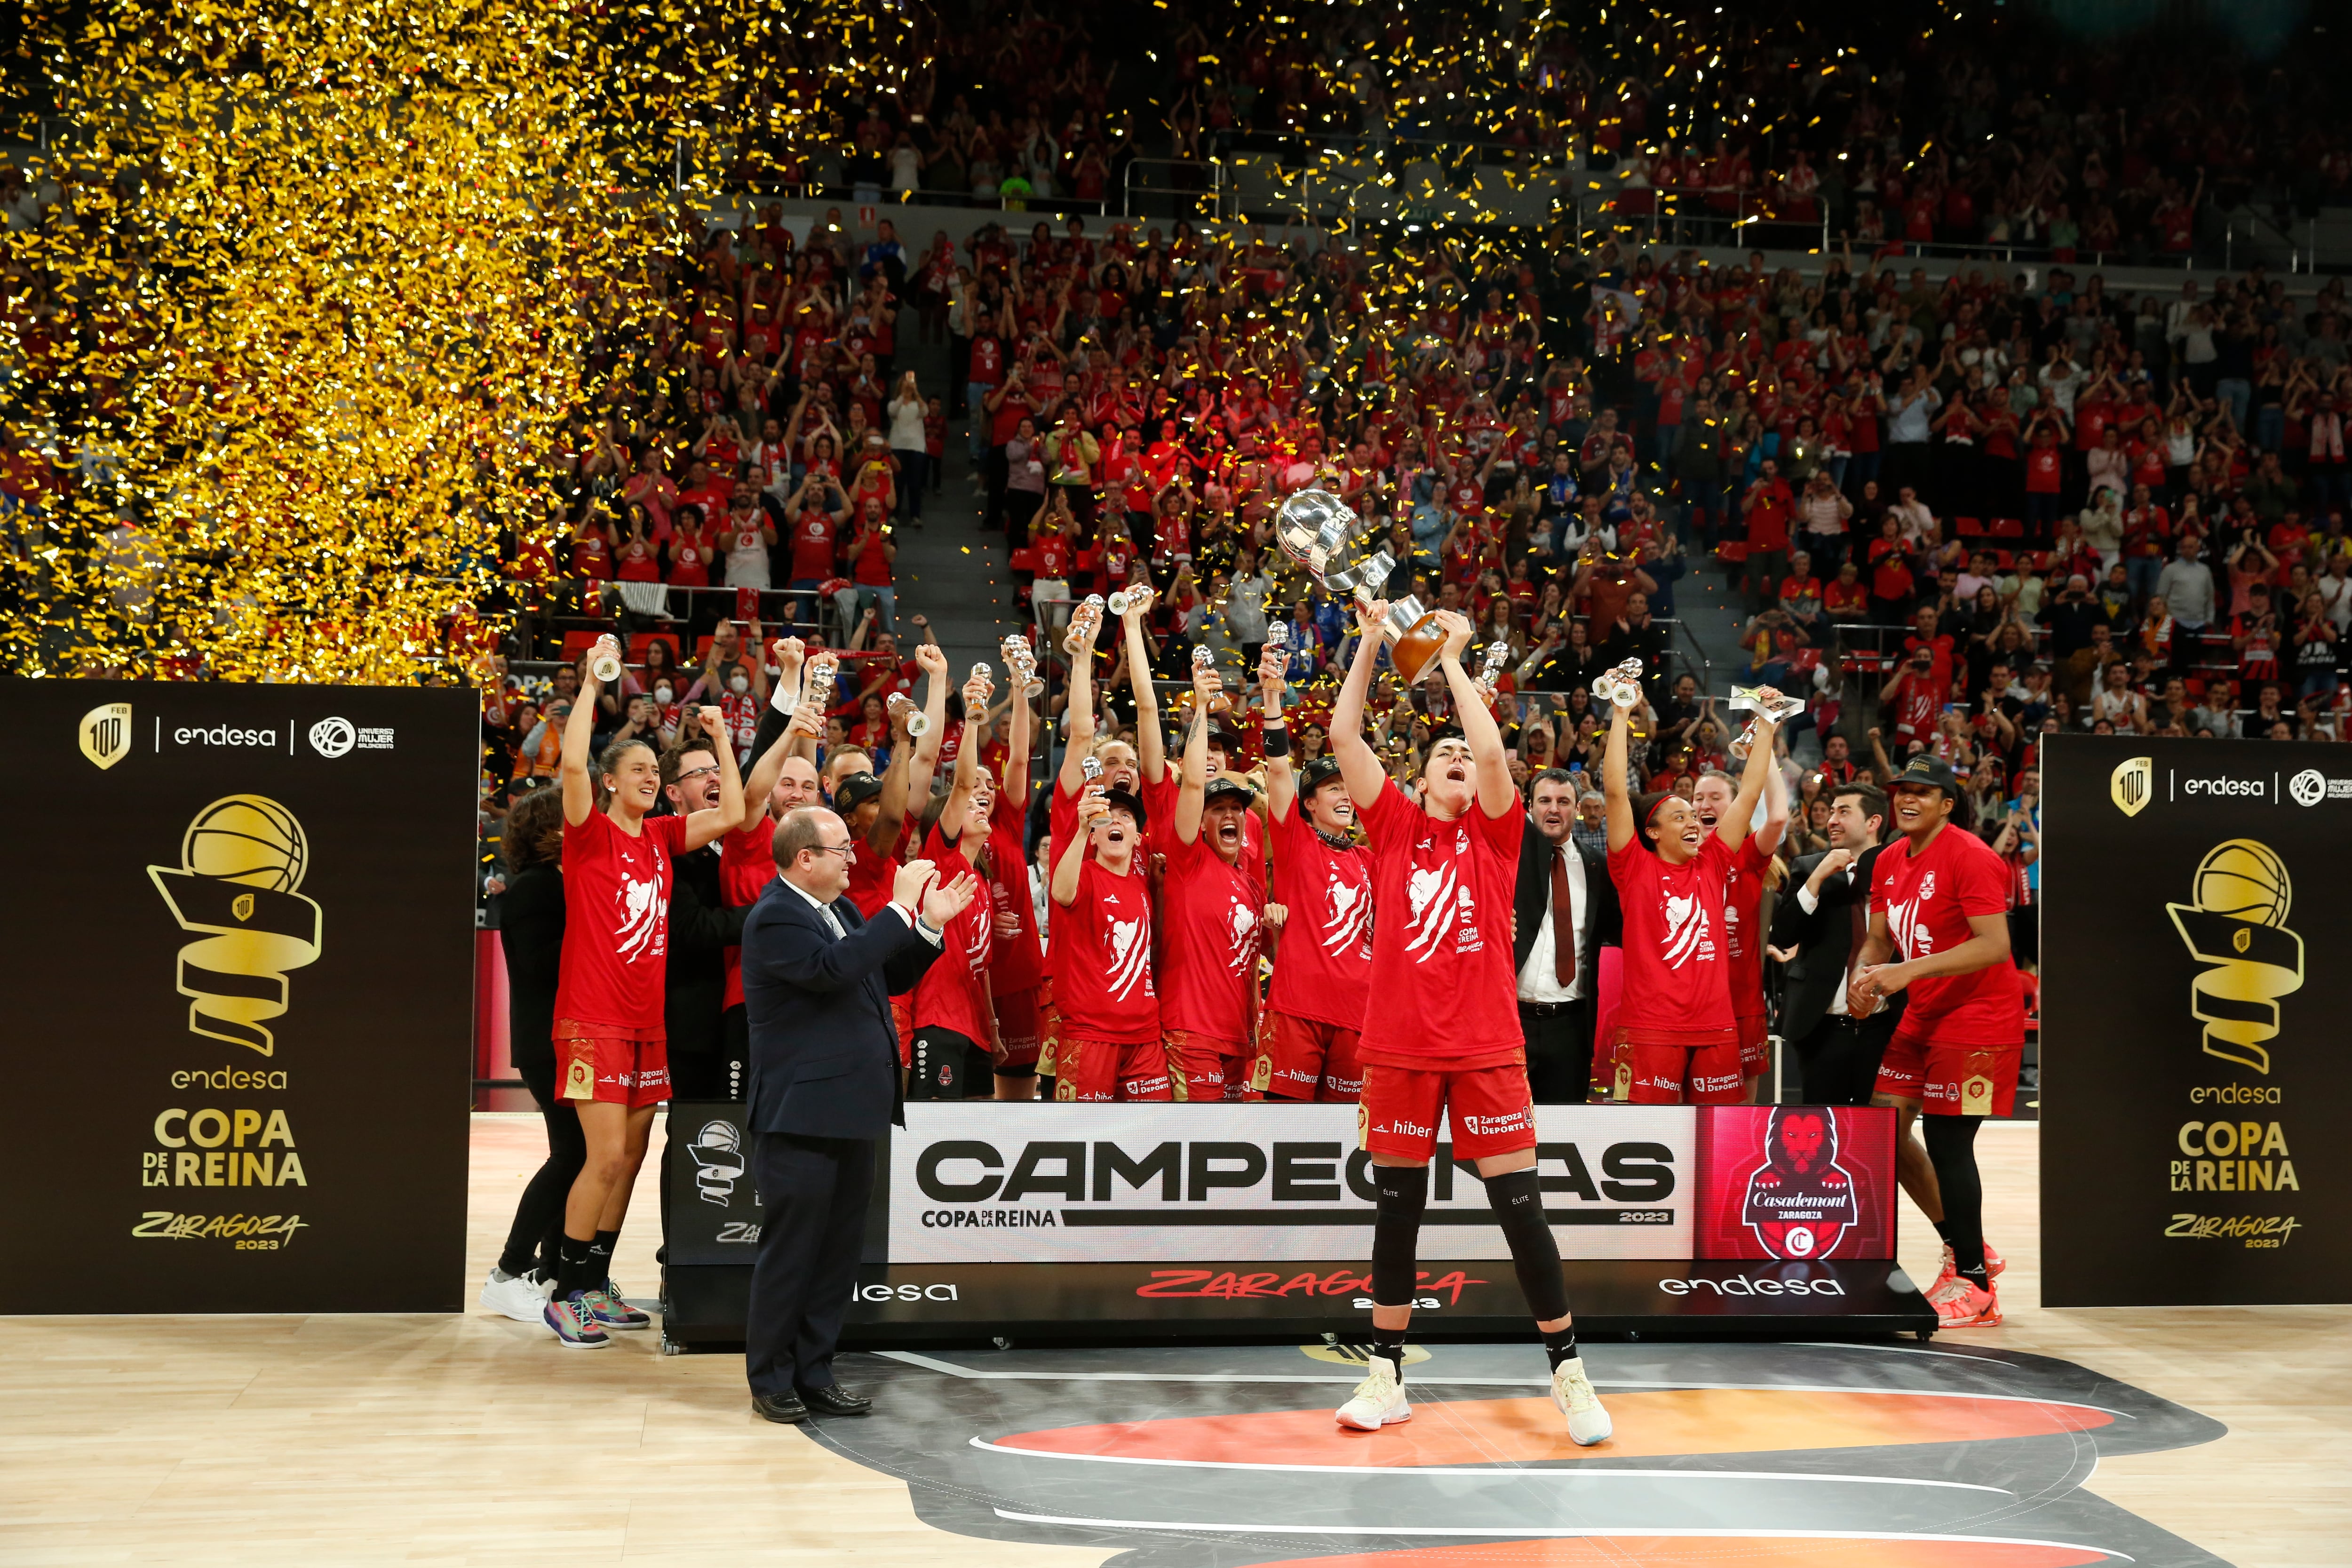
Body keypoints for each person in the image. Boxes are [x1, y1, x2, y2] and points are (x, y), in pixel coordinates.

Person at [1325, 600, 1611, 1447]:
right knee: (1397, 1212)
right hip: (1404, 1047)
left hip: (1486, 1045)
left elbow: (1490, 747)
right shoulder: (1394, 829)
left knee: (1522, 1210)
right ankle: (1386, 1375)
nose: (1458, 758)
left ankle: (1570, 1375)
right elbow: (1345, 737)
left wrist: (1451, 658)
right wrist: (1375, 636)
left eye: (1462, 756)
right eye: (1439, 755)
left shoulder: (1496, 834)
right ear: (1416, 783)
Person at [739, 811, 973, 1423]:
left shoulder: (835, 911)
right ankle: (771, 1378)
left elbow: (882, 974)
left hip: (850, 1111)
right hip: (801, 1115)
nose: (851, 858)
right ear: (803, 858)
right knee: (793, 1251)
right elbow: (832, 972)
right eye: (840, 849)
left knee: (838, 1255)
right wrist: (895, 909)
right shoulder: (775, 917)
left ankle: (815, 1372)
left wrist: (925, 926)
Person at [545, 636, 742, 1348]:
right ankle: (566, 1291)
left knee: (627, 1160)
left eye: (655, 770)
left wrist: (721, 741)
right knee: (600, 1158)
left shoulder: (660, 837)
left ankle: (595, 1287)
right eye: (638, 769)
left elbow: (732, 815)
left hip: (644, 1022)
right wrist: (597, 683)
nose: (651, 777)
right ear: (609, 782)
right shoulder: (588, 834)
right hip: (592, 1017)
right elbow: (571, 760)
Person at [1850, 754, 2026, 1329]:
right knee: (1885, 1135)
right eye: (1901, 790)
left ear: (1946, 804)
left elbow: (1994, 945)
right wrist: (1865, 976)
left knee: (1949, 1143)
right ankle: (1965, 1246)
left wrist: (1906, 973)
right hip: (1921, 1015)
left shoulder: (1971, 856)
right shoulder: (1887, 861)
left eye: (1922, 793)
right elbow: (1878, 940)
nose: (1907, 799)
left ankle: (1974, 1286)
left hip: (1976, 1016)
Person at [1597, 681, 1784, 1106]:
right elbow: (1614, 793)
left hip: (1715, 1027)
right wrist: (1622, 714)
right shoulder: (1633, 865)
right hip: (1650, 1029)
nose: (1694, 820)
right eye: (1678, 815)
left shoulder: (1714, 861)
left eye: (1695, 815)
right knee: (1652, 1140)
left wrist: (1768, 723)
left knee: (1719, 1143)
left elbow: (1750, 793)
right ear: (1653, 831)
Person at [477, 788, 582, 1322]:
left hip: (556, 1039)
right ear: (549, 830)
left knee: (575, 1154)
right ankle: (507, 1271)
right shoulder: (537, 889)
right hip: (549, 1042)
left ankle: (549, 1270)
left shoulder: (548, 886)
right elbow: (544, 968)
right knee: (571, 1155)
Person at [1252, 643, 1374, 1103]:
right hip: (1296, 1011)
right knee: (1282, 1130)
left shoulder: (1369, 861)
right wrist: (1270, 701)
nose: (1345, 797)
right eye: (1332, 789)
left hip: (1357, 1016)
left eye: (1348, 788)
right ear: (1309, 804)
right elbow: (1279, 771)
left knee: (1346, 1139)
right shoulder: (1294, 842)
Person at [1160, 656, 1266, 1101]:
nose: (1230, 816)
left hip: (1239, 1036)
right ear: (1200, 823)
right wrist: (1202, 710)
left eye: (1236, 810)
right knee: (1195, 1150)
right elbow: (1189, 788)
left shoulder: (1250, 880)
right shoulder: (1188, 862)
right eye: (1218, 809)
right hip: (1192, 1032)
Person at [1767, 781, 1905, 1105]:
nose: (1832, 820)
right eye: (1831, 812)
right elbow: (1783, 936)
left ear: (1873, 822)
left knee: (1882, 1132)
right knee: (1824, 1127)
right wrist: (1817, 879)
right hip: (1821, 1026)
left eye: (1844, 812)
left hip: (1885, 1026)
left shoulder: (1900, 870)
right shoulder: (1808, 867)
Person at [906, 667, 1003, 1099]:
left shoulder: (980, 878)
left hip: (976, 1026)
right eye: (967, 807)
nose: (979, 804)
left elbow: (979, 965)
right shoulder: (940, 859)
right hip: (938, 1017)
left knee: (976, 1134)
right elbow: (963, 782)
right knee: (932, 1132)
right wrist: (974, 719)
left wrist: (993, 1025)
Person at [1048, 772, 1168, 1100]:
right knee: (1079, 1140)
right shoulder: (1084, 874)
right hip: (1091, 1034)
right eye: (1106, 818)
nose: (1116, 821)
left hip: (1145, 1037)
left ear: (1138, 837)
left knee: (1158, 1133)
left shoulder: (1142, 887)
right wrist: (1081, 828)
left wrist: (1157, 887)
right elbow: (1060, 892)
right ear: (1094, 837)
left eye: (1126, 816)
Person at [1512, 766, 1614, 1104]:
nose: (1554, 809)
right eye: (1544, 800)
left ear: (1579, 809)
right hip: (1512, 1021)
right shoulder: (1508, 860)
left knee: (1563, 1130)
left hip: (1572, 1027)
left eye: (1563, 801)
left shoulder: (1598, 866)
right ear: (1529, 807)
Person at [1692, 753, 1789, 1098]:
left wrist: (1765, 750)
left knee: (1740, 1114)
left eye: (1716, 797)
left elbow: (1778, 816)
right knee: (1684, 1114)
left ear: (1738, 806)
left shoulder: (1748, 854)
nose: (1705, 803)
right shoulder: (1676, 857)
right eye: (1699, 797)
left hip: (1740, 1003)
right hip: (1689, 1005)